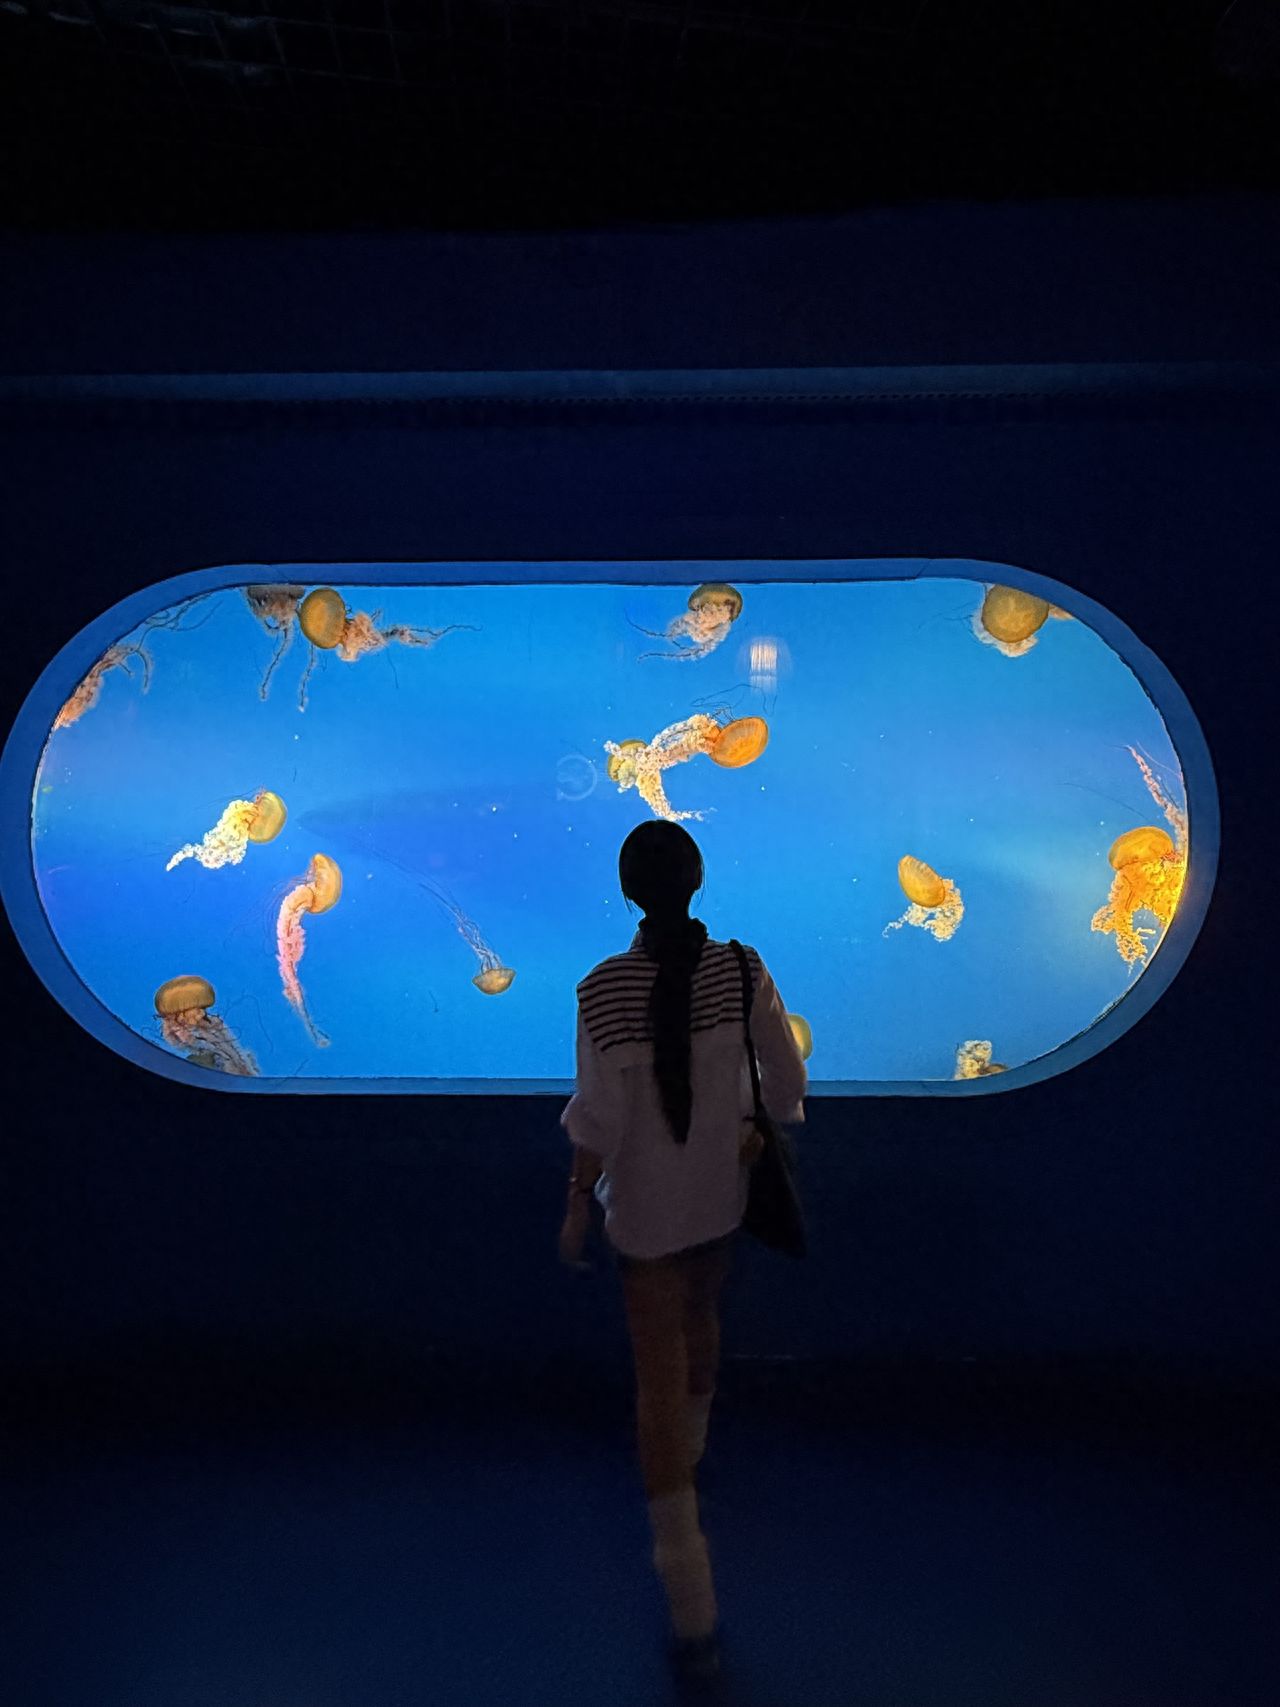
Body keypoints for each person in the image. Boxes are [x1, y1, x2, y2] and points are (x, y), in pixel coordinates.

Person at [558, 820, 807, 1687]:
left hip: (647, 1210)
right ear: (696, 882)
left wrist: (574, 1208)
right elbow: (787, 1080)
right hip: (719, 1194)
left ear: (629, 891)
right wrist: (754, 1129)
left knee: (652, 1383)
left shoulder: (603, 988)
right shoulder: (742, 969)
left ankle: (692, 1604)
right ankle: (697, 1451)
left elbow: (599, 1120)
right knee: (705, 1312)